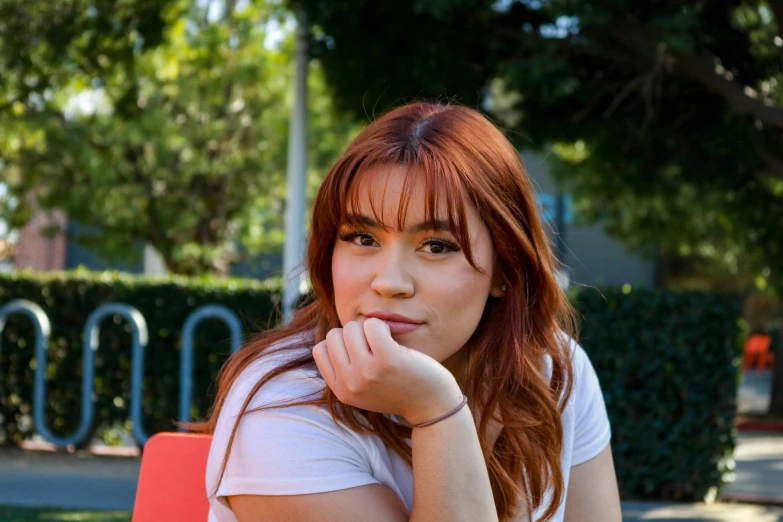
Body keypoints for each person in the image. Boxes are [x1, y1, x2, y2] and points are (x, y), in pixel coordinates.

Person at [195, 101, 622, 522]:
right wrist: (438, 411)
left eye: (437, 246)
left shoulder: (550, 370)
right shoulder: (282, 406)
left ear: (504, 270)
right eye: (363, 238)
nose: (390, 281)